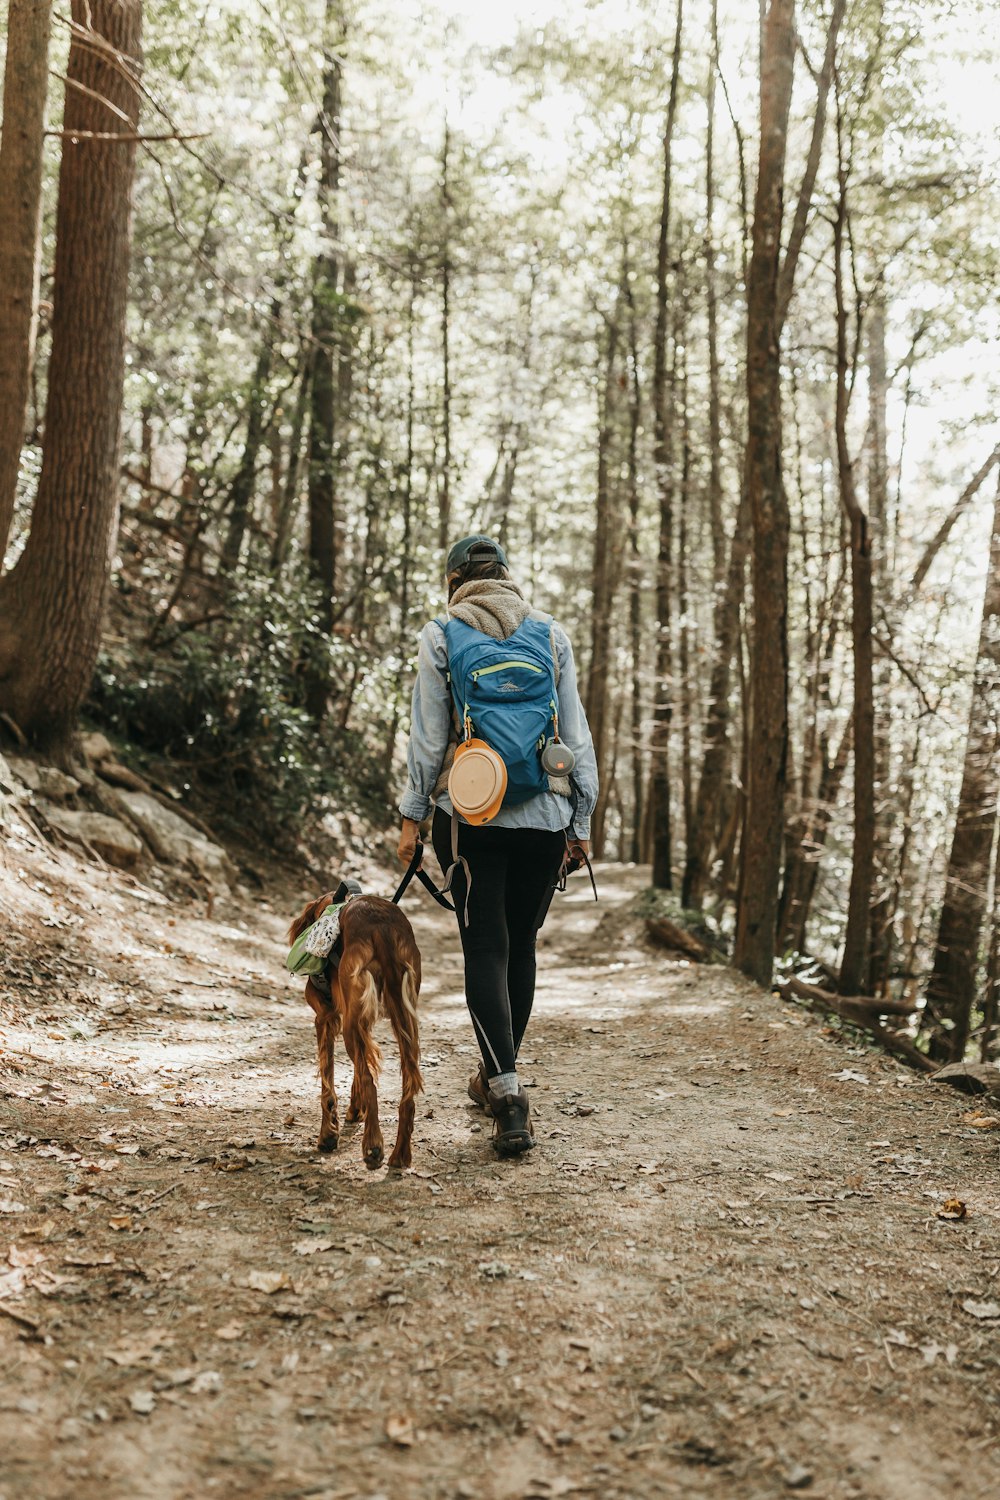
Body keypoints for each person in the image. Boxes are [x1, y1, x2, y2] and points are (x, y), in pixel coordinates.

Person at [397, 534, 599, 1157]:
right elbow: (577, 734)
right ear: (507, 576)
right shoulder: (551, 634)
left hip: (471, 815)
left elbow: (431, 741)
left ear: (455, 581)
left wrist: (413, 817)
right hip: (546, 813)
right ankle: (497, 1080)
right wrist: (582, 819)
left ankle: (507, 1094)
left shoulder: (441, 636)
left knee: (485, 947)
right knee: (521, 949)